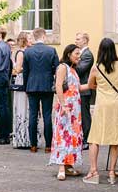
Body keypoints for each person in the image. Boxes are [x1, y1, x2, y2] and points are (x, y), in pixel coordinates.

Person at [82, 38, 118, 185]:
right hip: (117, 104)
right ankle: (111, 173)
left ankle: (94, 171)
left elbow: (91, 85)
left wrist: (102, 88)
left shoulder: (96, 67)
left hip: (103, 104)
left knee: (94, 138)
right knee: (115, 139)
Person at [49, 44, 87, 180]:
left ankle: (69, 165)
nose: (79, 57)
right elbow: (58, 85)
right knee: (63, 134)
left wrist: (93, 83)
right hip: (66, 107)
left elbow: (78, 87)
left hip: (75, 110)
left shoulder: (73, 70)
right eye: (77, 54)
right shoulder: (62, 67)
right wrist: (63, 104)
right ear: (69, 54)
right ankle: (61, 166)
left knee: (73, 136)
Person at [22, 27, 58, 153]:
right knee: (47, 115)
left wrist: (26, 86)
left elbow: (25, 71)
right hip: (47, 86)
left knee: (32, 115)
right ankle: (48, 145)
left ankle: (33, 145)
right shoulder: (51, 50)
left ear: (34, 37)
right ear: (43, 37)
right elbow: (57, 69)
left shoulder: (28, 52)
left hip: (32, 86)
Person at [75, 32, 94, 150]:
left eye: (78, 39)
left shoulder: (87, 54)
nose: (76, 41)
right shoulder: (81, 54)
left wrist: (71, 63)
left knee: (85, 115)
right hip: (80, 88)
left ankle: (87, 139)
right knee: (81, 114)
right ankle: (82, 137)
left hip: (84, 89)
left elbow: (81, 69)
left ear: (85, 41)